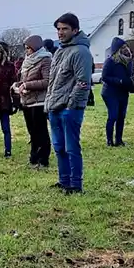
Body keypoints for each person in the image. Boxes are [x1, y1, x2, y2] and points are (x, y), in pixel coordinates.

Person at [44, 13, 93, 194]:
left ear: (75, 30)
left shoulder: (81, 52)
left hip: (69, 109)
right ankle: (63, 180)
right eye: (58, 29)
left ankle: (75, 184)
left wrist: (71, 105)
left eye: (65, 29)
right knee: (59, 147)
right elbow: (54, 81)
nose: (60, 32)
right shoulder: (60, 51)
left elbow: (82, 82)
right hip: (54, 107)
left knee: (71, 147)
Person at [12, 35, 52, 168]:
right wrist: (18, 85)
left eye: (29, 48)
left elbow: (47, 81)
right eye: (26, 48)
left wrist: (28, 85)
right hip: (27, 100)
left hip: (39, 101)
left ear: (36, 48)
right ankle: (34, 157)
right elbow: (25, 79)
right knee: (32, 131)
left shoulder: (45, 59)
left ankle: (43, 158)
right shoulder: (27, 61)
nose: (27, 51)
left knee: (40, 130)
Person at [100, 37, 134, 147]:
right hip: (110, 92)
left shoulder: (128, 61)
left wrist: (131, 81)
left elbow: (129, 75)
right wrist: (119, 81)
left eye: (126, 47)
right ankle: (109, 140)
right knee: (113, 116)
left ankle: (119, 140)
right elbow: (104, 77)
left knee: (121, 116)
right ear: (117, 49)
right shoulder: (110, 61)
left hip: (123, 92)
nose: (126, 49)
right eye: (123, 47)